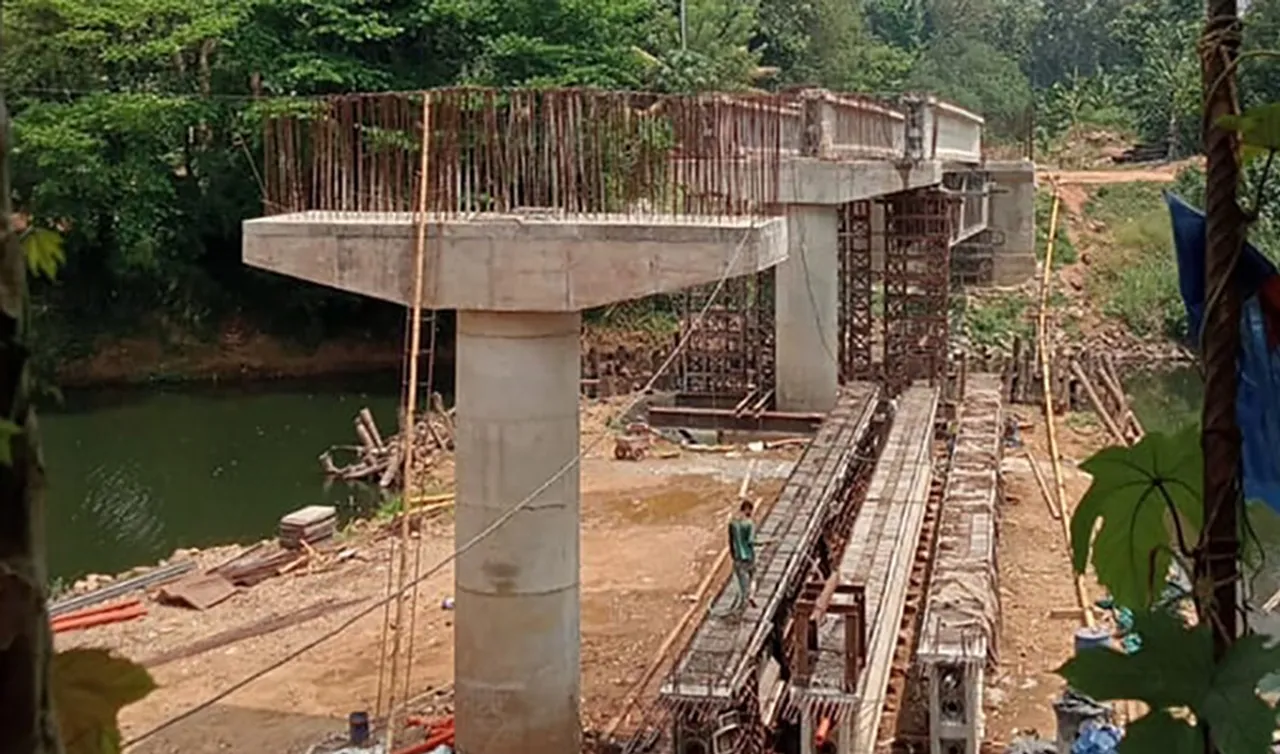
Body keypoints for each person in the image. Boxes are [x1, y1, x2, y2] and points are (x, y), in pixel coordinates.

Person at [727, 497, 762, 615]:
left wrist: (733, 556)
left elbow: (730, 542)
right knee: (754, 577)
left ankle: (740, 608)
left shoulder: (732, 523)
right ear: (748, 510)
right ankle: (751, 597)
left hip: (737, 559)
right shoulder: (750, 524)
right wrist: (766, 542)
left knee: (743, 588)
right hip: (749, 558)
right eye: (751, 511)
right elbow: (751, 541)